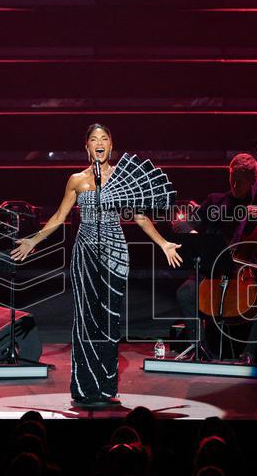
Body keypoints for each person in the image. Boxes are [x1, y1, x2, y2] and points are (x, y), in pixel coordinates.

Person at [11, 124, 181, 407]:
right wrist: (33, 241)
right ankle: (83, 387)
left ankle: (105, 387)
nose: (99, 143)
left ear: (111, 146)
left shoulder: (122, 178)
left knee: (109, 321)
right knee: (85, 320)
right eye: (93, 139)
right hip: (85, 253)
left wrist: (163, 243)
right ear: (86, 147)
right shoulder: (76, 180)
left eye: (104, 139)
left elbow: (139, 217)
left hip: (115, 253)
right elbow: (58, 216)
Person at [175, 153, 257, 363]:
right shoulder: (215, 201)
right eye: (232, 178)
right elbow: (186, 225)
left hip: (248, 274)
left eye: (241, 181)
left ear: (253, 180)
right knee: (185, 292)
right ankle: (200, 347)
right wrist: (189, 230)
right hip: (216, 272)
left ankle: (250, 353)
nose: (235, 184)